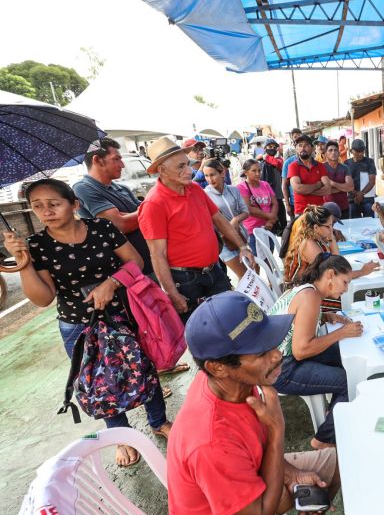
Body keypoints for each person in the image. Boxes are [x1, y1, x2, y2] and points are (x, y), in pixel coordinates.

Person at [2, 179, 172, 467]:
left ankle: (159, 421)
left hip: (123, 314)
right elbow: (43, 299)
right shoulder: (37, 245)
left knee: (144, 367)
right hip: (78, 326)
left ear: (74, 204)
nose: (46, 211)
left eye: (54, 204)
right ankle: (121, 435)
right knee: (100, 383)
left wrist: (111, 283)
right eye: (37, 206)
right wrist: (24, 263)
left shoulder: (102, 229)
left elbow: (135, 263)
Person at [171, 291, 341, 515]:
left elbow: (252, 447)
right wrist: (276, 430)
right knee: (281, 501)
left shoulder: (233, 383)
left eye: (271, 343)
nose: (277, 355)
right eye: (261, 353)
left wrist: (292, 475)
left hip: (242, 482)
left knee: (342, 461)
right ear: (218, 367)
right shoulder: (209, 441)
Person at [139, 137, 253, 322]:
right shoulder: (154, 204)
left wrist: (243, 247)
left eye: (188, 165)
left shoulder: (195, 189)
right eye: (181, 167)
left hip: (214, 271)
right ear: (162, 170)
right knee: (206, 335)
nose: (189, 171)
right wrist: (172, 293)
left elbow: (220, 220)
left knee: (232, 323)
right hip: (186, 281)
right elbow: (157, 254)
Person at [268, 254, 363, 448]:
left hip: (279, 359)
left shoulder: (307, 291)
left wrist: (324, 317)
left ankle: (335, 411)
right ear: (330, 274)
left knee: (344, 359)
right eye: (344, 282)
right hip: (280, 369)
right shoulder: (310, 297)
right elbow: (301, 350)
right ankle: (324, 440)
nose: (346, 289)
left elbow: (295, 322)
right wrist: (342, 333)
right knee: (350, 380)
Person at [73, 138, 154, 275]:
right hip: (126, 271)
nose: (122, 165)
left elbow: (148, 216)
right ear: (97, 160)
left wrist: (141, 212)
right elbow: (120, 225)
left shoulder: (122, 188)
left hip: (150, 261)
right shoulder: (83, 189)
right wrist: (148, 209)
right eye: (116, 159)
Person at [284, 205, 377, 286]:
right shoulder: (309, 244)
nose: (331, 229)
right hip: (299, 290)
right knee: (337, 286)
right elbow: (334, 274)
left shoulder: (318, 238)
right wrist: (362, 272)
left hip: (309, 285)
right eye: (328, 226)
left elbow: (336, 260)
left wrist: (331, 237)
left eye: (331, 225)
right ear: (316, 227)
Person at [203, 158, 251, 280]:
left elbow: (245, 211)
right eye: (206, 176)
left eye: (212, 174)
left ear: (222, 173)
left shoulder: (233, 190)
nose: (209, 179)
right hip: (223, 241)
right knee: (244, 275)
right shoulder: (204, 195)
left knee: (251, 272)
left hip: (240, 235)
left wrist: (235, 220)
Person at [238, 159, 278, 254]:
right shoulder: (241, 187)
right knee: (256, 260)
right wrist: (270, 217)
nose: (257, 173)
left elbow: (275, 203)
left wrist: (271, 221)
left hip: (268, 227)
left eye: (259, 170)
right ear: (246, 172)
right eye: (254, 171)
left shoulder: (265, 184)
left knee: (269, 257)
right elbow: (248, 208)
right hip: (253, 230)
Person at [287, 135, 332, 216]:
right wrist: (318, 185)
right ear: (296, 149)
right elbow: (298, 188)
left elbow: (328, 189)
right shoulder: (293, 166)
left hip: (319, 211)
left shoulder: (320, 166)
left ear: (312, 148)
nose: (302, 148)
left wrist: (306, 191)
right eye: (300, 145)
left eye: (306, 145)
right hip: (301, 212)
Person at [343, 138, 376, 219]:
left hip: (368, 199)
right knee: (354, 225)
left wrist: (361, 193)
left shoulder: (370, 162)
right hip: (352, 199)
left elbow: (372, 181)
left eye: (362, 151)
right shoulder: (346, 164)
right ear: (351, 151)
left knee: (369, 224)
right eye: (358, 151)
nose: (361, 153)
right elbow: (345, 183)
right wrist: (356, 194)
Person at [322, 140, 353, 219]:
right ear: (326, 154)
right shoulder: (321, 168)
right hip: (326, 209)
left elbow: (350, 187)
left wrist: (332, 183)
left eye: (336, 150)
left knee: (344, 230)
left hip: (343, 208)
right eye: (330, 150)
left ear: (339, 153)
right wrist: (342, 188)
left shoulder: (345, 168)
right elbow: (323, 189)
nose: (333, 152)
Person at [281, 128, 304, 221]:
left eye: (300, 136)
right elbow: (284, 185)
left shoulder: (312, 161)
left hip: (311, 203)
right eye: (295, 137)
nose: (297, 138)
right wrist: (287, 204)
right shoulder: (288, 162)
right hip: (295, 203)